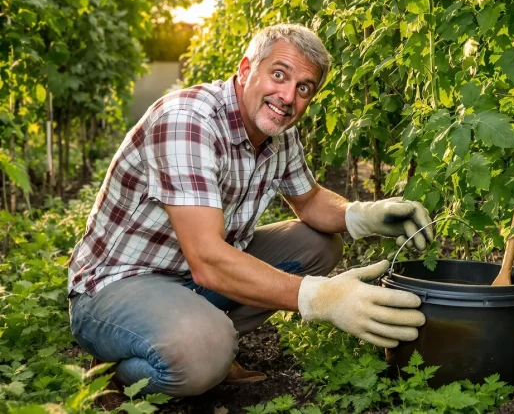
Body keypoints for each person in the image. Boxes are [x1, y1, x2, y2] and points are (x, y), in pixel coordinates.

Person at [67, 24, 434, 402]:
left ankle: (204, 335)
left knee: (317, 244)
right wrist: (319, 297)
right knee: (203, 354)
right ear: (245, 70)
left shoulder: (279, 133)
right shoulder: (188, 121)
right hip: (119, 284)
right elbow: (208, 259)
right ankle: (128, 365)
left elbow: (308, 202)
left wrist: (366, 214)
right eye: (279, 74)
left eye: (304, 88)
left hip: (190, 279)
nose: (288, 96)